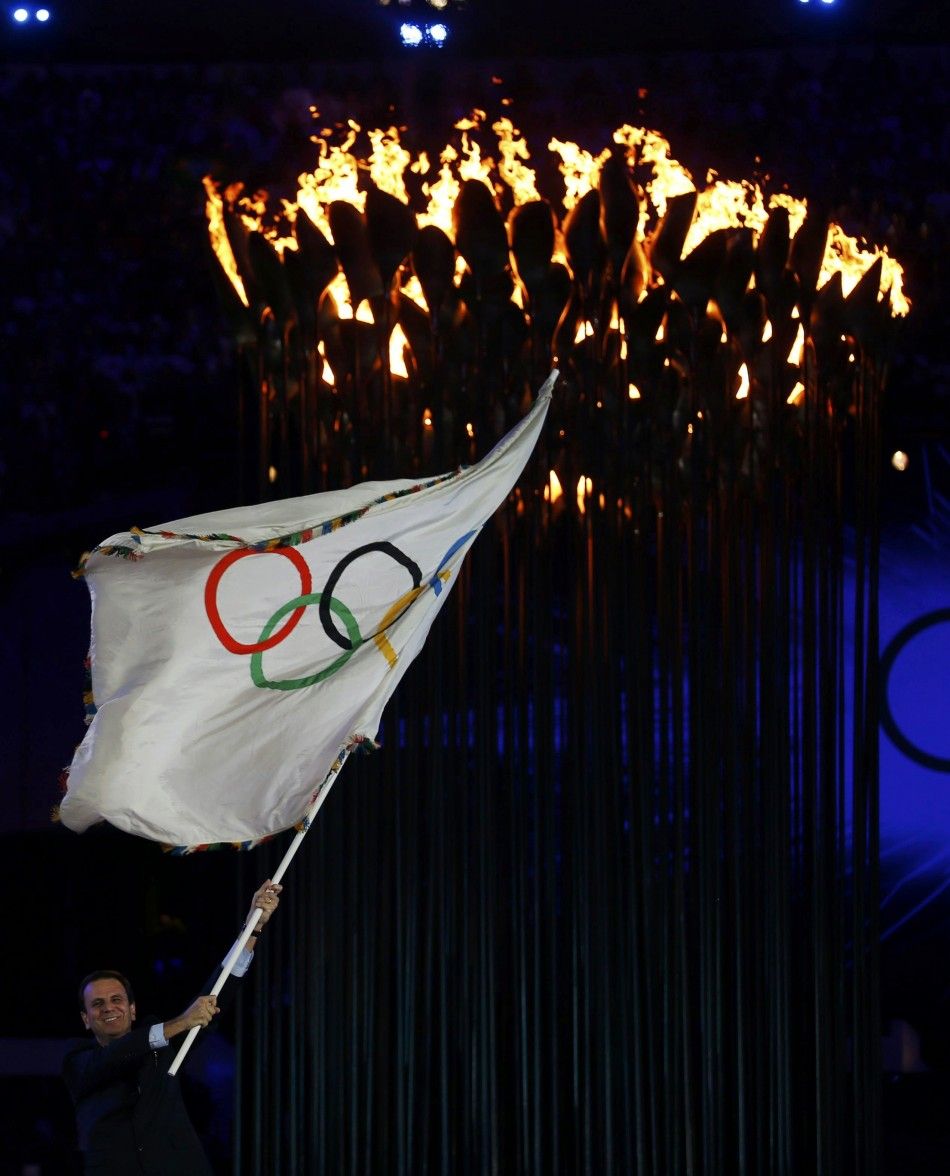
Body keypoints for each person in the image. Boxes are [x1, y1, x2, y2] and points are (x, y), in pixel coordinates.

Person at [63, 878, 282, 1175]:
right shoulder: (79, 1061)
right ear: (86, 1019)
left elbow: (215, 996)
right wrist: (180, 1022)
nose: (108, 1007)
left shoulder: (164, 1046)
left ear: (132, 1009)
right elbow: (114, 1055)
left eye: (116, 999)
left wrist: (252, 928)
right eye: (97, 1004)